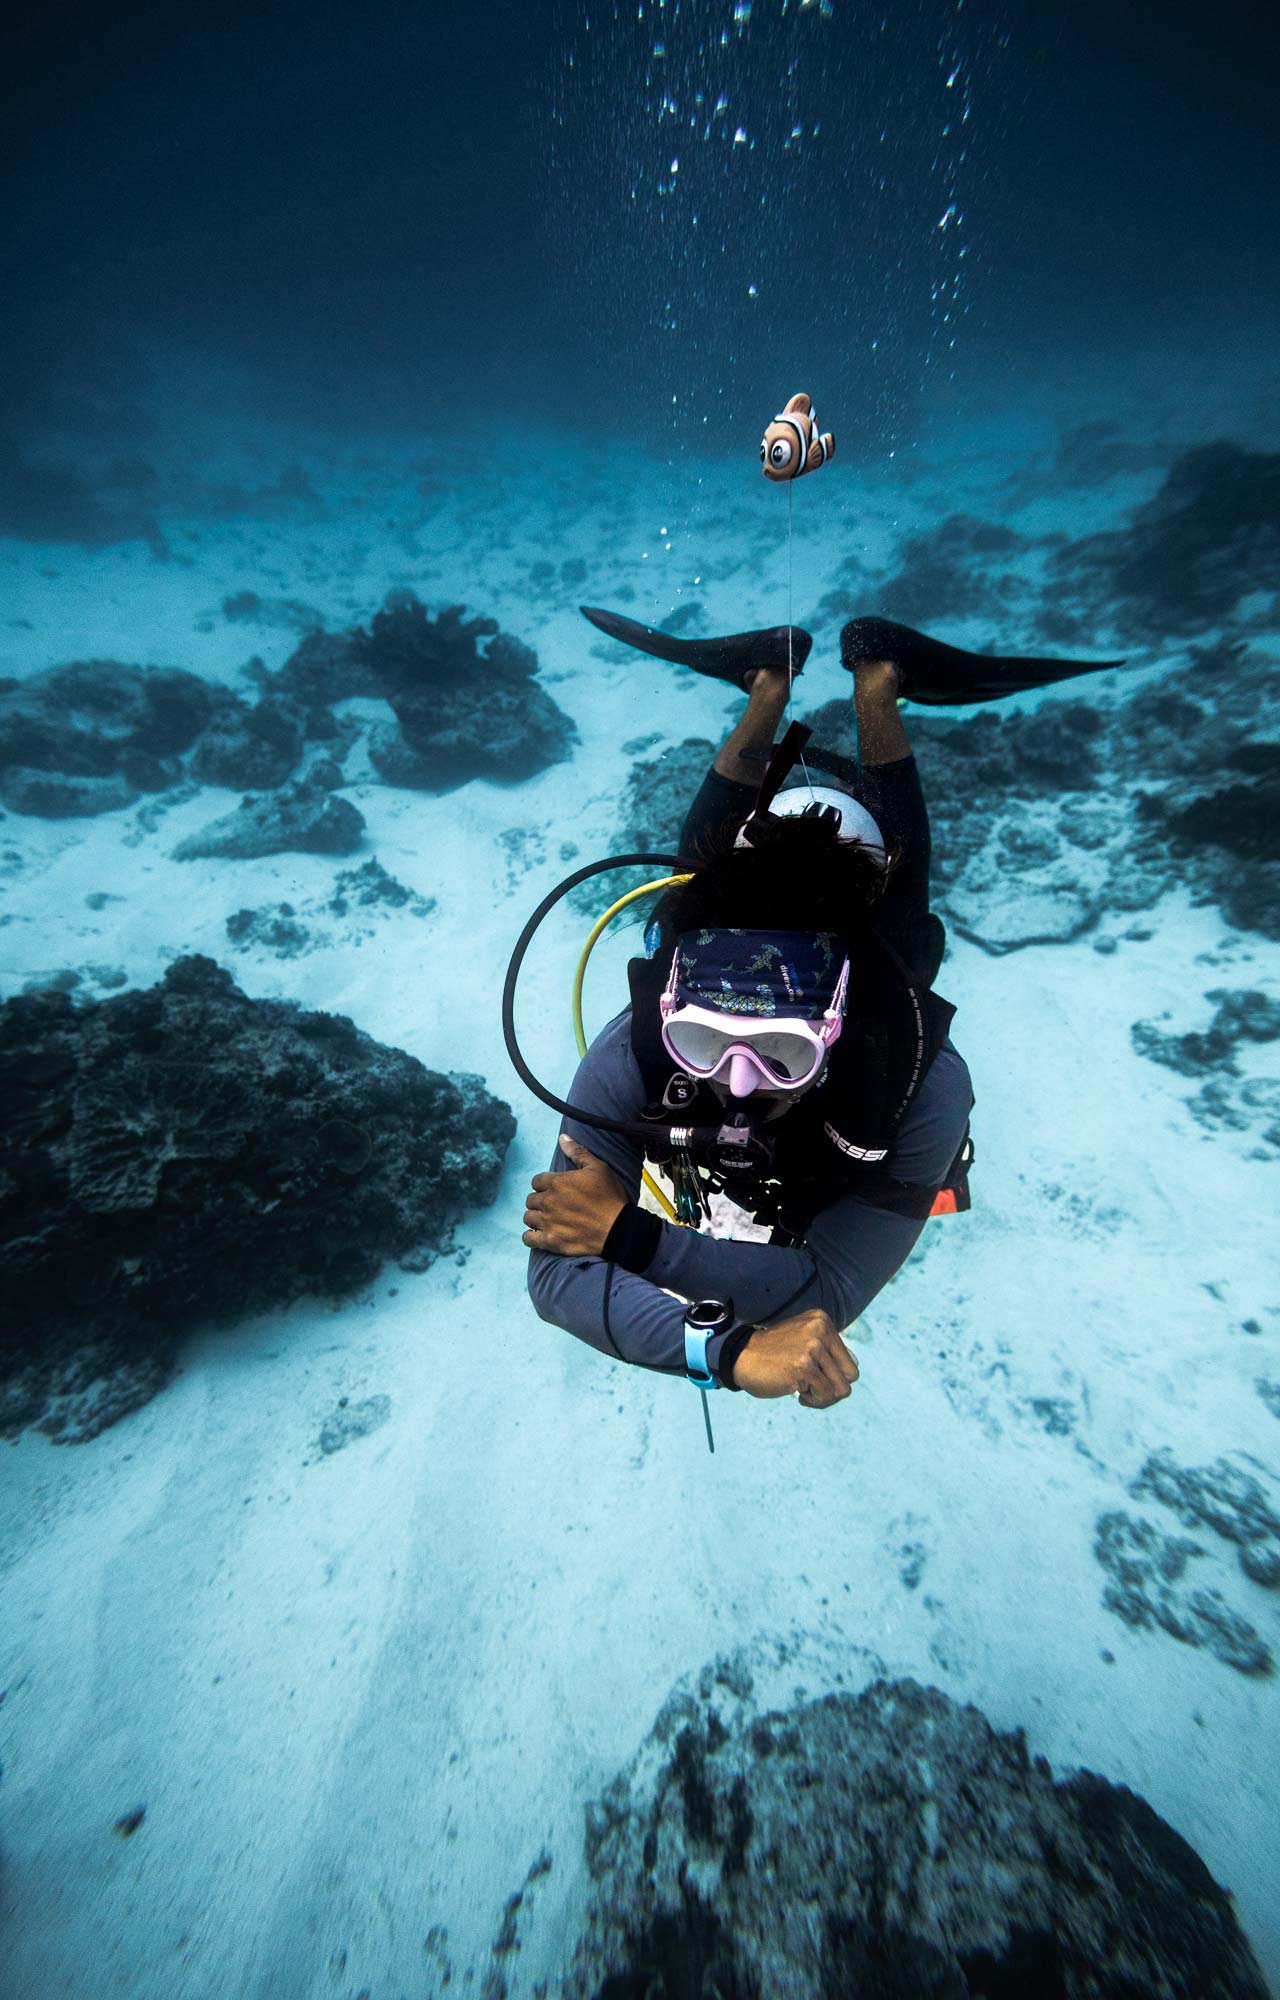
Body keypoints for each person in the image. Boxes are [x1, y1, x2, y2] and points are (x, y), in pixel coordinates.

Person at [522, 625, 976, 1411]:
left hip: (864, 953)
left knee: (898, 914)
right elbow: (557, 1275)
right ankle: (781, 687)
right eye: (703, 1040)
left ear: (833, 1031)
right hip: (721, 943)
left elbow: (826, 1287)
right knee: (692, 896)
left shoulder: (920, 1085)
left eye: (782, 1052)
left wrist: (628, 1236)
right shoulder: (638, 1051)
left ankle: (874, 689)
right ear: (675, 1013)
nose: (736, 1084)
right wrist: (729, 1354)